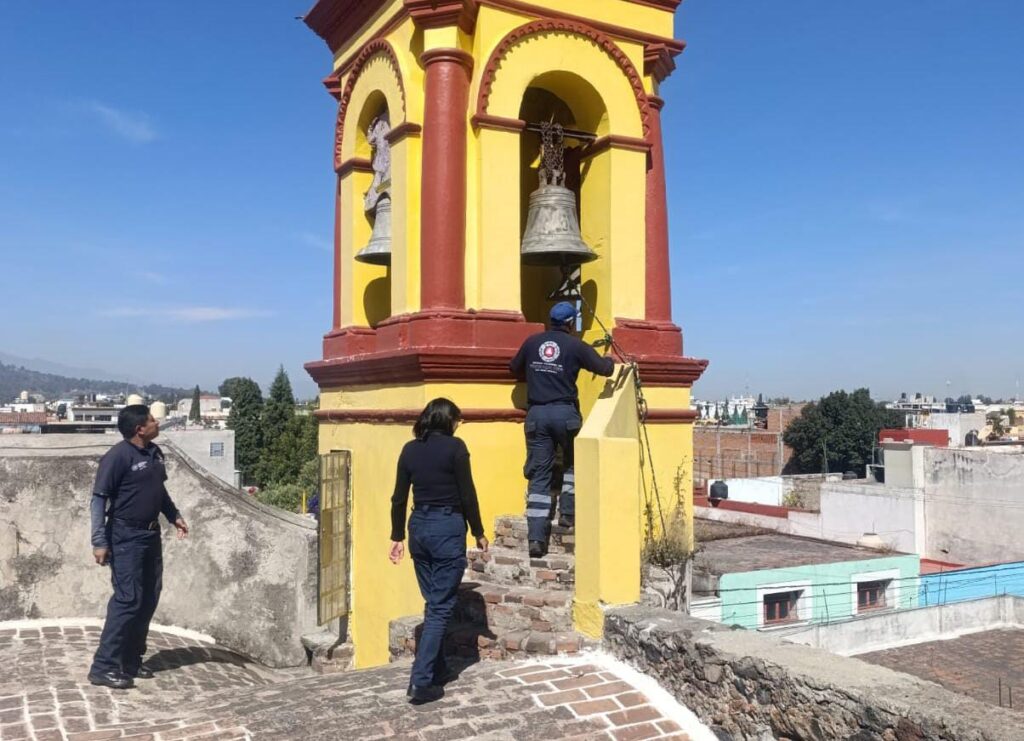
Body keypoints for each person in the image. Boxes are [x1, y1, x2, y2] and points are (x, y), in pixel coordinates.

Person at [388, 398, 487, 704]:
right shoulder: (456, 448)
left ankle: (439, 667)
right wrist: (478, 531)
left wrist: (397, 536)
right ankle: (420, 681)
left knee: (433, 601)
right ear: (448, 420)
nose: (459, 424)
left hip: (419, 528)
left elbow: (398, 499)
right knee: (442, 606)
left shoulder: (410, 450)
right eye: (457, 419)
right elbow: (467, 493)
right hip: (446, 526)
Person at [87, 404, 189, 690]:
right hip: (124, 536)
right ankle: (104, 666)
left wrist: (174, 516)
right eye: (152, 420)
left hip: (150, 536)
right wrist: (99, 541)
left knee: (148, 597)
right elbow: (98, 500)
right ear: (139, 429)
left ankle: (131, 659)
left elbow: (160, 490)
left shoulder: (154, 453)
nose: (158, 423)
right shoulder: (117, 457)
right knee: (127, 600)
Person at [509, 301, 615, 557]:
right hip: (565, 414)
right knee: (572, 465)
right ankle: (567, 515)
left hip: (536, 414)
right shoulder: (575, 346)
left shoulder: (532, 342)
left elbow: (513, 369)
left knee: (539, 475)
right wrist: (610, 357)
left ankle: (536, 538)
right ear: (571, 323)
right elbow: (604, 369)